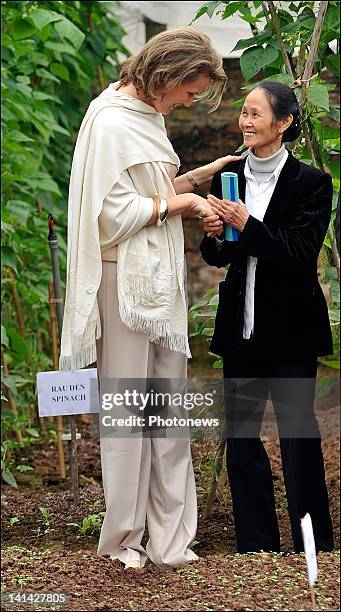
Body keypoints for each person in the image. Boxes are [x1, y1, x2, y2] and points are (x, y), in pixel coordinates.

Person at [59, 26, 240, 569]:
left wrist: (198, 180)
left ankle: (168, 538)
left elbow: (149, 195)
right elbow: (112, 218)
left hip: (158, 286)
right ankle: (122, 540)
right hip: (124, 284)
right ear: (168, 75)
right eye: (189, 91)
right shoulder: (113, 121)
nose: (188, 102)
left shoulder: (146, 117)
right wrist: (185, 207)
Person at [200, 81, 334, 554]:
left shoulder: (312, 183)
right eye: (244, 113)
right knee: (241, 438)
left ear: (284, 122)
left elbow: (299, 253)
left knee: (298, 437)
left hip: (292, 331)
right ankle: (255, 544)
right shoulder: (229, 176)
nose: (246, 122)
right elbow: (217, 255)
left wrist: (245, 225)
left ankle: (310, 542)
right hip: (242, 328)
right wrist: (216, 233)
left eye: (256, 114)